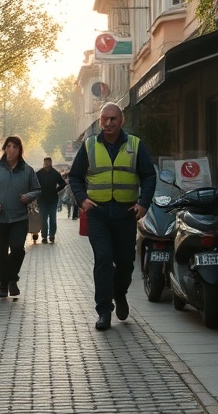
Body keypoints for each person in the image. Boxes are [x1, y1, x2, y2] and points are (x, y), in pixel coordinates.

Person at [69, 103, 156, 331]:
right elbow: (76, 177)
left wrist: (143, 203)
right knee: (104, 259)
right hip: (97, 214)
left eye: (113, 119)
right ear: (99, 122)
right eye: (105, 119)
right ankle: (104, 311)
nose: (109, 123)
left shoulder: (135, 145)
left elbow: (148, 175)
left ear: (122, 120)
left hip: (126, 213)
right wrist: (82, 200)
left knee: (126, 262)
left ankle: (120, 293)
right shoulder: (89, 146)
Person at [0, 136, 41, 298]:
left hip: (19, 218)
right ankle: (3, 285)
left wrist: (27, 196)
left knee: (17, 248)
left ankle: (12, 277)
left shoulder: (27, 170)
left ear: (20, 150)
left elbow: (37, 189)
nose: (11, 150)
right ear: (4, 149)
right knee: (0, 252)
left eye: (15, 147)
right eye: (8, 146)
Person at [35, 157, 67, 243]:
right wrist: (37, 193)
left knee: (52, 218)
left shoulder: (55, 173)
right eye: (45, 162)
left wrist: (56, 190)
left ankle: (52, 235)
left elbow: (63, 183)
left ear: (51, 163)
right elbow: (34, 184)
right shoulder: (39, 173)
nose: (46, 164)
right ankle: (44, 236)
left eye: (48, 162)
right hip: (42, 199)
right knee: (43, 218)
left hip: (53, 199)